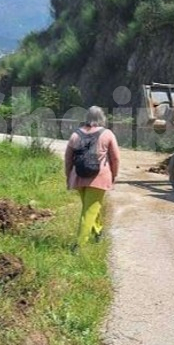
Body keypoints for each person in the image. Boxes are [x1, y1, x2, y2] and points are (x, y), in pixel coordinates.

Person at [64, 106, 120, 249]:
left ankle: (98, 231)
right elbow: (115, 159)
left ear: (87, 118)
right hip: (99, 178)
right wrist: (114, 175)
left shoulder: (75, 135)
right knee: (89, 211)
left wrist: (68, 176)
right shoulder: (107, 134)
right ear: (102, 118)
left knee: (90, 208)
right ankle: (79, 245)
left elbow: (68, 159)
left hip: (78, 177)